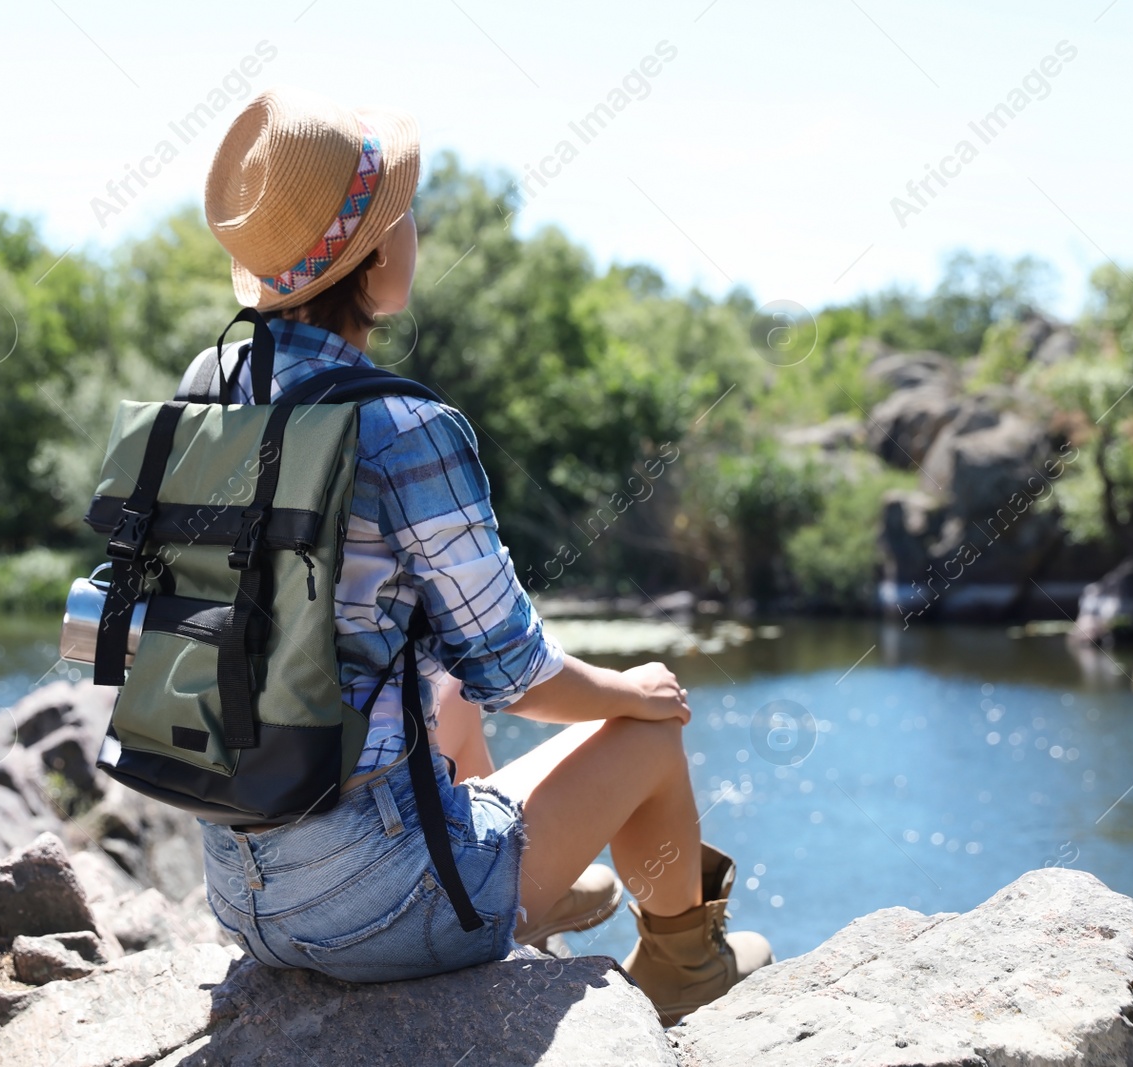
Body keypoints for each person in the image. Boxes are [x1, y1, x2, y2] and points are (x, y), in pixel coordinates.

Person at [194, 87, 770, 1026]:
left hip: (240, 890)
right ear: (378, 256)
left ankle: (526, 883)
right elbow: (519, 672)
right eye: (402, 215)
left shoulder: (212, 390)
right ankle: (683, 964)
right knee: (650, 725)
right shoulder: (402, 425)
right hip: (372, 911)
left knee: (441, 687)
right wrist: (637, 690)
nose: (415, 228)